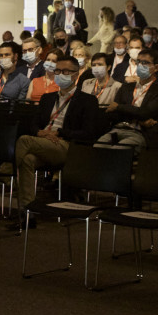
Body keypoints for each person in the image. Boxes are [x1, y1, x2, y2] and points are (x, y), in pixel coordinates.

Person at [12, 55, 100, 214]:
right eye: (58, 70)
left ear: (76, 74)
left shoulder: (87, 100)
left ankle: (3, 175)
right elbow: (32, 123)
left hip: (67, 145)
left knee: (24, 140)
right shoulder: (48, 98)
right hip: (42, 141)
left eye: (65, 71)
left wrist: (59, 132)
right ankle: (27, 212)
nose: (60, 74)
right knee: (27, 159)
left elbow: (89, 132)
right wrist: (41, 132)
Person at [95, 49, 158, 155]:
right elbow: (113, 113)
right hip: (118, 128)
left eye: (145, 63)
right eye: (139, 62)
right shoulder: (126, 87)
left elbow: (145, 112)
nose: (140, 65)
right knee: (97, 147)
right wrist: (138, 118)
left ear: (156, 67)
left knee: (117, 152)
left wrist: (120, 107)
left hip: (141, 133)